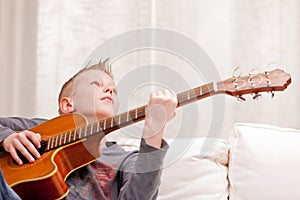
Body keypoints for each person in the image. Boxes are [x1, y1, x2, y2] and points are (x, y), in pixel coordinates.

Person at [0, 59, 178, 199]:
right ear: (68, 104)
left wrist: (154, 131)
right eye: (96, 84)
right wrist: (6, 137)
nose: (109, 90)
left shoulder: (125, 159)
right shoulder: (39, 130)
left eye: (113, 90)